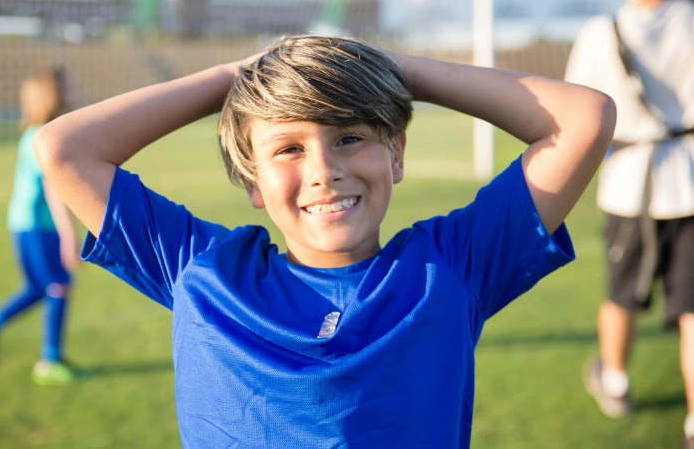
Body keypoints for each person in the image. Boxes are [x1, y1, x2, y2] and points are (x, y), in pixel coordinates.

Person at [35, 35, 614, 447]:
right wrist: (231, 79)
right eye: (288, 148)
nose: (322, 170)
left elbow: (585, 117)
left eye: (349, 137)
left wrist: (389, 70)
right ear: (251, 179)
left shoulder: (451, 266)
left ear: (396, 153)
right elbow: (62, 148)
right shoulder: (202, 272)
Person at [564, 0, 694, 444]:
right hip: (691, 180)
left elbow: (578, 108)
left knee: (620, 293)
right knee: (693, 306)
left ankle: (615, 381)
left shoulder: (601, 32)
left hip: (628, 179)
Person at [0, 67, 85, 386]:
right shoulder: (45, 136)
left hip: (22, 223)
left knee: (36, 288)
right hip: (38, 226)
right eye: (69, 84)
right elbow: (54, 190)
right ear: (53, 94)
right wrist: (69, 236)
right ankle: (50, 361)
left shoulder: (35, 133)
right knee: (59, 285)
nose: (76, 87)